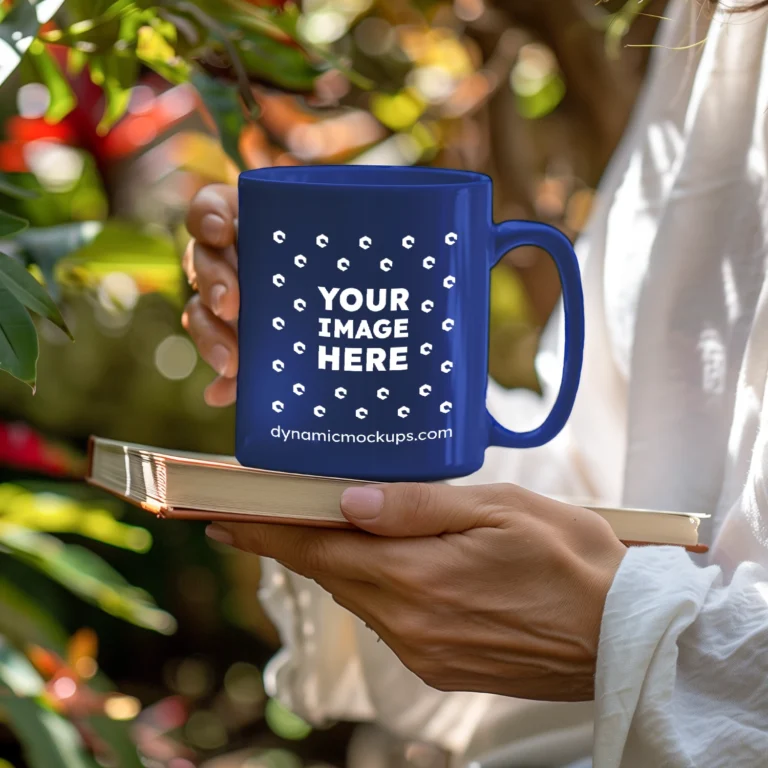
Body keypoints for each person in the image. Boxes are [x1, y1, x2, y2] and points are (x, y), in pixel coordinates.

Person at [180, 1, 768, 765]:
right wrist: (348, 400)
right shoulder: (716, 28)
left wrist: (629, 635)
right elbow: (620, 484)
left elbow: (643, 588)